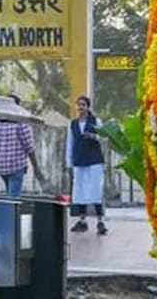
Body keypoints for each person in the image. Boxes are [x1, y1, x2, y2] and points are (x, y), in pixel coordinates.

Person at [67, 95, 108, 235]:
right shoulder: (72, 124)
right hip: (79, 160)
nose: (80, 107)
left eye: (83, 105)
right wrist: (69, 162)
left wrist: (94, 137)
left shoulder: (96, 121)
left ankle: (100, 221)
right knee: (80, 191)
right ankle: (82, 221)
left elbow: (104, 138)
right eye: (78, 105)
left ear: (88, 107)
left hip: (94, 161)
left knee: (96, 191)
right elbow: (70, 143)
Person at [0, 120, 41, 197]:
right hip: (16, 166)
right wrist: (36, 168)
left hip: (1, 167)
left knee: (9, 195)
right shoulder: (21, 123)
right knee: (13, 198)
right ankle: (11, 208)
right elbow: (29, 147)